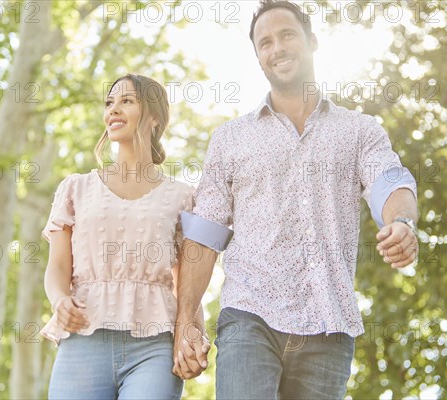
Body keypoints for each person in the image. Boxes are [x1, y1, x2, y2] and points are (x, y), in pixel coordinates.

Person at [172, 1, 419, 399]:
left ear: (313, 42)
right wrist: (186, 318)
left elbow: (390, 183)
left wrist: (402, 223)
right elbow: (205, 233)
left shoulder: (359, 130)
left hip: (328, 325)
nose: (277, 48)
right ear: (258, 58)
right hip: (249, 315)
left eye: (287, 35)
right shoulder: (231, 139)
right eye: (265, 42)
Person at [41, 74, 206, 399]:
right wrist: (60, 301)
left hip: (154, 348)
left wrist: (194, 334)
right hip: (83, 341)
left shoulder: (184, 197)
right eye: (109, 102)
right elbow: (58, 268)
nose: (114, 110)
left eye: (127, 101)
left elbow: (188, 281)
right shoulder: (76, 188)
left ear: (155, 117)